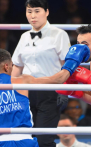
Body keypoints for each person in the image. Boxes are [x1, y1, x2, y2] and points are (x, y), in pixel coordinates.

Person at [0, 44, 90, 147]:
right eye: (11, 66)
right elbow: (58, 79)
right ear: (6, 66)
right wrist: (73, 61)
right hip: (25, 142)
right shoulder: (22, 81)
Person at [11, 0, 71, 146]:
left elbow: (67, 69)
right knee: (27, 139)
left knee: (44, 140)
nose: (33, 16)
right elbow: (17, 68)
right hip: (25, 94)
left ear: (47, 12)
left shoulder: (59, 35)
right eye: (29, 11)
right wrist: (9, 91)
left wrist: (63, 91)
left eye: (37, 11)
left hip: (50, 92)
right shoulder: (24, 36)